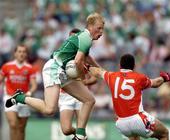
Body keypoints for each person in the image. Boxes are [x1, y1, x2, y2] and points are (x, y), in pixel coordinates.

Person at [6, 12, 104, 140]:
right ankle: (19, 97)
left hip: (62, 71)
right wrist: (82, 77)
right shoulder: (86, 38)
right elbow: (78, 61)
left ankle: (80, 135)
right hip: (54, 68)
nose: (101, 32)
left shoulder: (86, 38)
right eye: (99, 28)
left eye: (102, 29)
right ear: (90, 26)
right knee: (49, 110)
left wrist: (101, 70)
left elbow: (86, 57)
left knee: (89, 100)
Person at [89, 54, 170, 140]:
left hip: (121, 124)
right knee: (164, 133)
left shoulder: (111, 76)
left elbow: (97, 71)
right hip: (138, 119)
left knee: (134, 136)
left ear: (119, 65)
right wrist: (164, 78)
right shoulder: (139, 78)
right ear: (134, 66)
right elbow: (155, 83)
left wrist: (87, 67)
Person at [0, 45, 37, 140]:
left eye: (24, 52)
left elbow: (34, 85)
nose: (21, 54)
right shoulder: (6, 67)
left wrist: (29, 92)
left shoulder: (30, 68)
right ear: (15, 53)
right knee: (13, 125)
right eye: (19, 51)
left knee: (21, 128)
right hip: (9, 97)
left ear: (26, 54)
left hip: (23, 99)